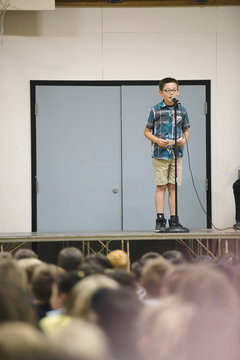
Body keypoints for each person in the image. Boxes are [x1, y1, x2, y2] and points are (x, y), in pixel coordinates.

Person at [144, 77, 190, 232]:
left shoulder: (182, 109)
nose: (171, 93)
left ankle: (174, 220)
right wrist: (157, 140)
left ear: (178, 91)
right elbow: (147, 131)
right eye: (167, 90)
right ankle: (160, 219)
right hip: (160, 153)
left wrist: (184, 140)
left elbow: (186, 130)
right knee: (161, 186)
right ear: (161, 92)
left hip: (177, 154)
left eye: (173, 90)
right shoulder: (155, 109)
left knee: (173, 186)